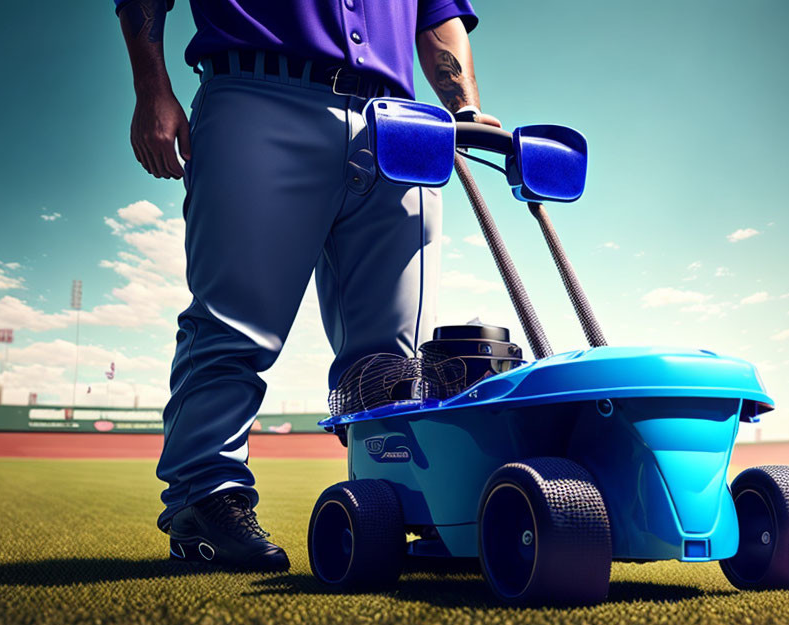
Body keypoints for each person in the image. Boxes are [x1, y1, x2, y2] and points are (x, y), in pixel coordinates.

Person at [114, 0, 500, 571]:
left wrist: (464, 104)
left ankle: (400, 507)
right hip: (258, 91)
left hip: (401, 121)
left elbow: (437, 12)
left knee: (392, 355)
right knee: (232, 323)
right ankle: (205, 498)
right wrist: (152, 89)